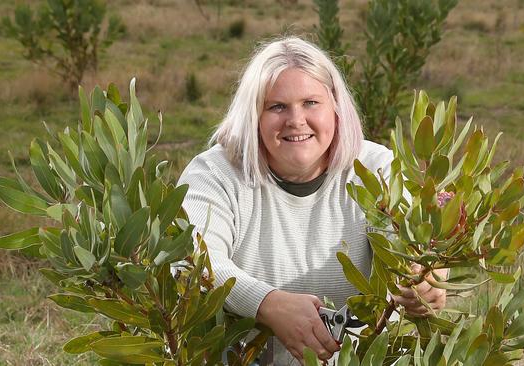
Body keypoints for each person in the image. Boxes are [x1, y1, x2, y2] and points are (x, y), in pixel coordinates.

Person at [178, 36, 446, 365]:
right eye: (277, 106)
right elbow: (193, 260)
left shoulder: (374, 168)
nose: (296, 120)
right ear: (253, 116)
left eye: (311, 103)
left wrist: (428, 279)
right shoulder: (215, 173)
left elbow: (406, 245)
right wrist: (268, 304)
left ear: (336, 109)